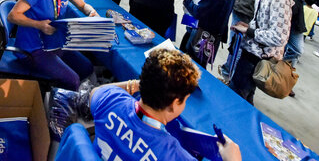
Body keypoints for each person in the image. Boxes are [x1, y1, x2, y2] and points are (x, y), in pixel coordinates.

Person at [90, 49, 243, 161]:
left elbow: (95, 92)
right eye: (185, 99)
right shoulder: (173, 155)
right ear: (175, 103)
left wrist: (139, 84)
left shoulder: (110, 100)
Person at [7, 0, 98, 90]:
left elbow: (82, 5)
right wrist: (39, 25)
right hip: (33, 49)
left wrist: (90, 11)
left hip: (54, 43)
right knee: (73, 80)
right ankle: (58, 106)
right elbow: (13, 15)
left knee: (87, 67)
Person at [229, 0, 293, 104]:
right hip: (251, 53)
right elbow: (264, 23)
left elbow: (279, 37)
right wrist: (249, 26)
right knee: (245, 97)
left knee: (235, 99)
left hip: (258, 58)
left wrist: (250, 31)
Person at [182, 0, 234, 68]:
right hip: (214, 34)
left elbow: (198, 12)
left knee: (193, 65)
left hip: (203, 34)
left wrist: (188, 0)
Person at [218, 0, 256, 82]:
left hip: (245, 9)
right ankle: (227, 70)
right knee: (235, 43)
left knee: (237, 43)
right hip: (244, 6)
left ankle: (230, 77)